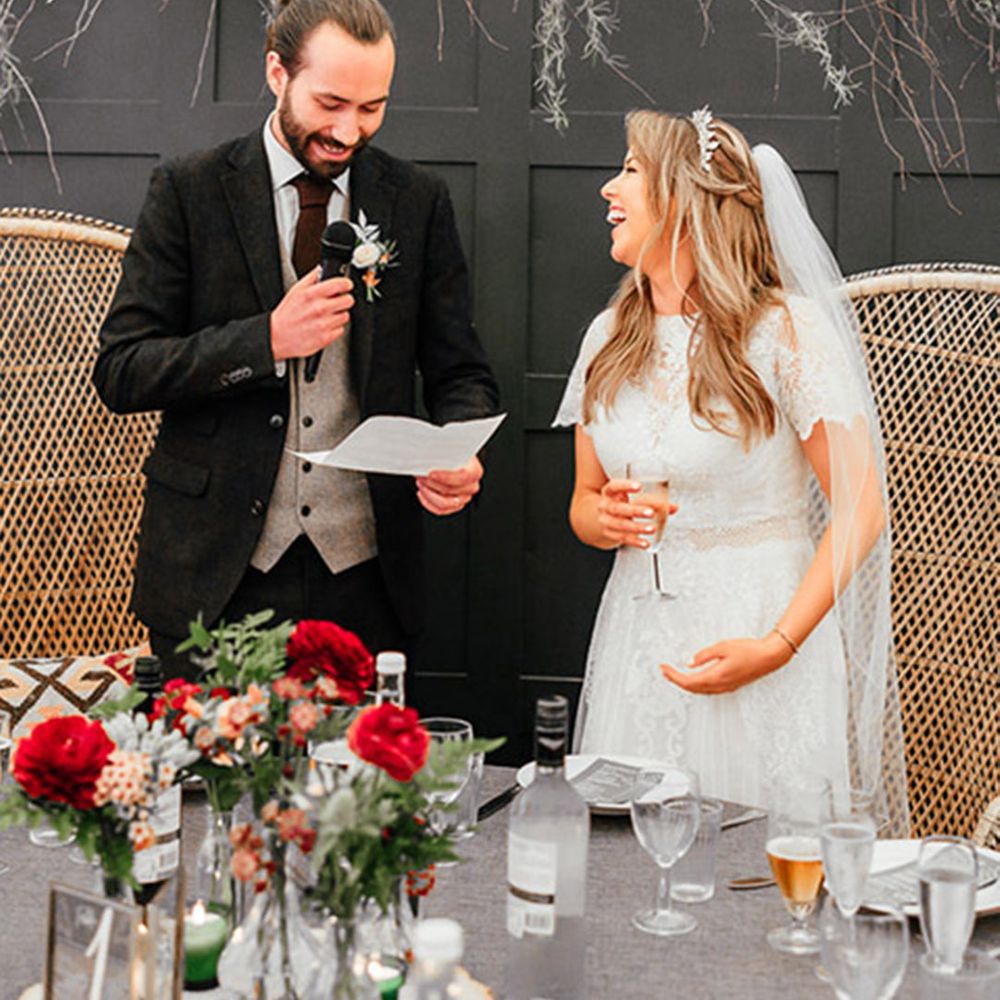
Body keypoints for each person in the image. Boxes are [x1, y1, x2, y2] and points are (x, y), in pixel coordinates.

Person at [93, 0, 499, 681]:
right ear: (277, 72)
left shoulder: (417, 199)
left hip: (366, 573)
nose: (349, 130)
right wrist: (265, 341)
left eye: (373, 108)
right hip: (215, 571)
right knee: (213, 786)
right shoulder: (188, 190)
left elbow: (462, 372)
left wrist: (458, 448)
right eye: (332, 102)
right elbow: (123, 369)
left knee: (360, 788)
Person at [554, 108, 907, 822]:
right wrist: (606, 519)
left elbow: (862, 508)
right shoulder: (608, 336)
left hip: (759, 635)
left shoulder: (784, 332)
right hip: (637, 643)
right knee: (634, 863)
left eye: (630, 170)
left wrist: (776, 647)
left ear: (685, 201)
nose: (607, 190)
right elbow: (583, 506)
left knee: (757, 877)